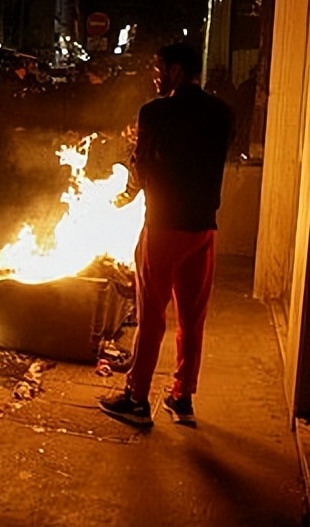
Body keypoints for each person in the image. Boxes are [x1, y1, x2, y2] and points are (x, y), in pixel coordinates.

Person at [99, 41, 234, 427]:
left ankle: (136, 398)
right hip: (204, 228)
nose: (155, 76)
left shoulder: (155, 112)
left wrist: (125, 193)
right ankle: (182, 396)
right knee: (192, 318)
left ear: (176, 70)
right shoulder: (222, 113)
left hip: (163, 227)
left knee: (152, 315)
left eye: (159, 69)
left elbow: (141, 167)